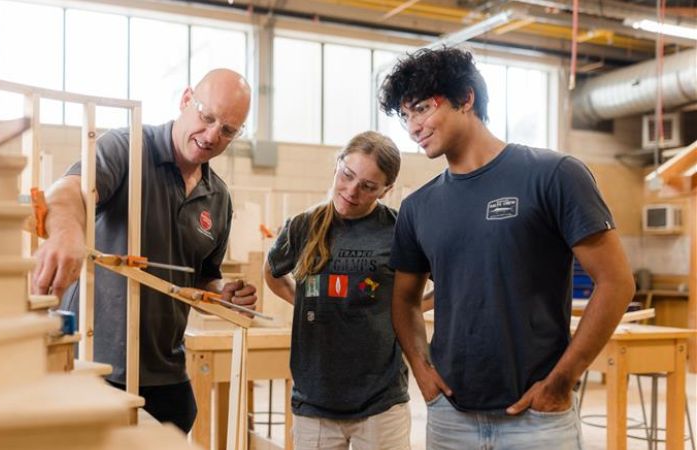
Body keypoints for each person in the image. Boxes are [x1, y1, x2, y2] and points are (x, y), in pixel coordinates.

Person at [379, 47, 635, 449]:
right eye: (406, 116)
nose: (414, 127)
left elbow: (616, 283)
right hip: (450, 419)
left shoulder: (554, 175)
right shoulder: (417, 207)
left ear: (466, 98)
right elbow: (404, 300)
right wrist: (422, 371)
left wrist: (562, 381)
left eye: (423, 109)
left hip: (538, 418)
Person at [31, 68, 258, 433]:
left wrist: (224, 293)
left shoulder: (219, 198)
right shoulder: (127, 149)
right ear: (186, 100)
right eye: (207, 117)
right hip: (95, 364)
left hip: (165, 373)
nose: (213, 135)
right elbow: (68, 190)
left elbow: (204, 277)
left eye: (228, 130)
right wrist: (65, 233)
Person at [264, 131, 411, 450]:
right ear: (337, 166)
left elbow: (440, 283)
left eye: (368, 186)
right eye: (347, 175)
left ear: (386, 190)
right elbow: (272, 272)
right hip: (315, 401)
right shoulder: (302, 226)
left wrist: (406, 311)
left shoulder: (399, 230)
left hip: (381, 403)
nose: (352, 191)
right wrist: (299, 300)